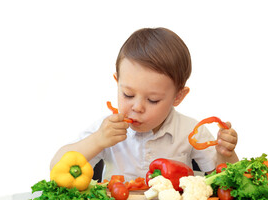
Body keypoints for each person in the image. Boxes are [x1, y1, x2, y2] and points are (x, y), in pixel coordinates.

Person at [50, 27, 239, 181]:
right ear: (117, 82)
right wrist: (99, 140)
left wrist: (226, 154)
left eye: (153, 100)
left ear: (178, 97)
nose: (137, 107)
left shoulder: (191, 131)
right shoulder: (107, 129)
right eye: (128, 94)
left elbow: (227, 181)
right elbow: (56, 168)